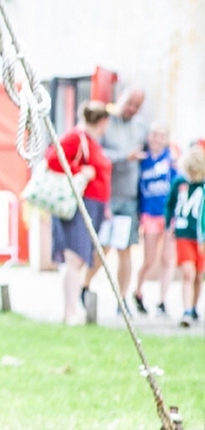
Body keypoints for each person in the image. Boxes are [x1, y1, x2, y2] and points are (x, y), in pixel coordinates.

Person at [47, 100, 111, 326]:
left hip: (94, 204)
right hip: (78, 205)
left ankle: (72, 309)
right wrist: (80, 171)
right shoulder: (77, 137)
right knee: (74, 258)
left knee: (80, 259)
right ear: (102, 121)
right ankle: (70, 310)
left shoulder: (92, 141)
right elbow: (53, 159)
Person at [88, 87, 147, 312]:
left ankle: (122, 300)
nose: (132, 108)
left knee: (125, 249)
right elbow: (98, 154)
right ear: (120, 98)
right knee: (102, 246)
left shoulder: (141, 127)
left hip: (129, 198)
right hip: (108, 196)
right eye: (129, 102)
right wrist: (125, 157)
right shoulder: (106, 122)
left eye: (137, 105)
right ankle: (84, 286)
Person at [133, 123, 176, 315]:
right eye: (153, 134)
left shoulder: (172, 160)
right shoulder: (142, 159)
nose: (156, 139)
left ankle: (162, 300)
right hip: (149, 214)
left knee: (167, 258)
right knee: (149, 259)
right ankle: (138, 291)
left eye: (161, 135)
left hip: (168, 215)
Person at [166, 145, 205, 327]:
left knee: (198, 275)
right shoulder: (179, 183)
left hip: (200, 237)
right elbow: (169, 204)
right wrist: (169, 224)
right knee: (188, 273)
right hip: (183, 234)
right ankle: (186, 310)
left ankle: (194, 307)